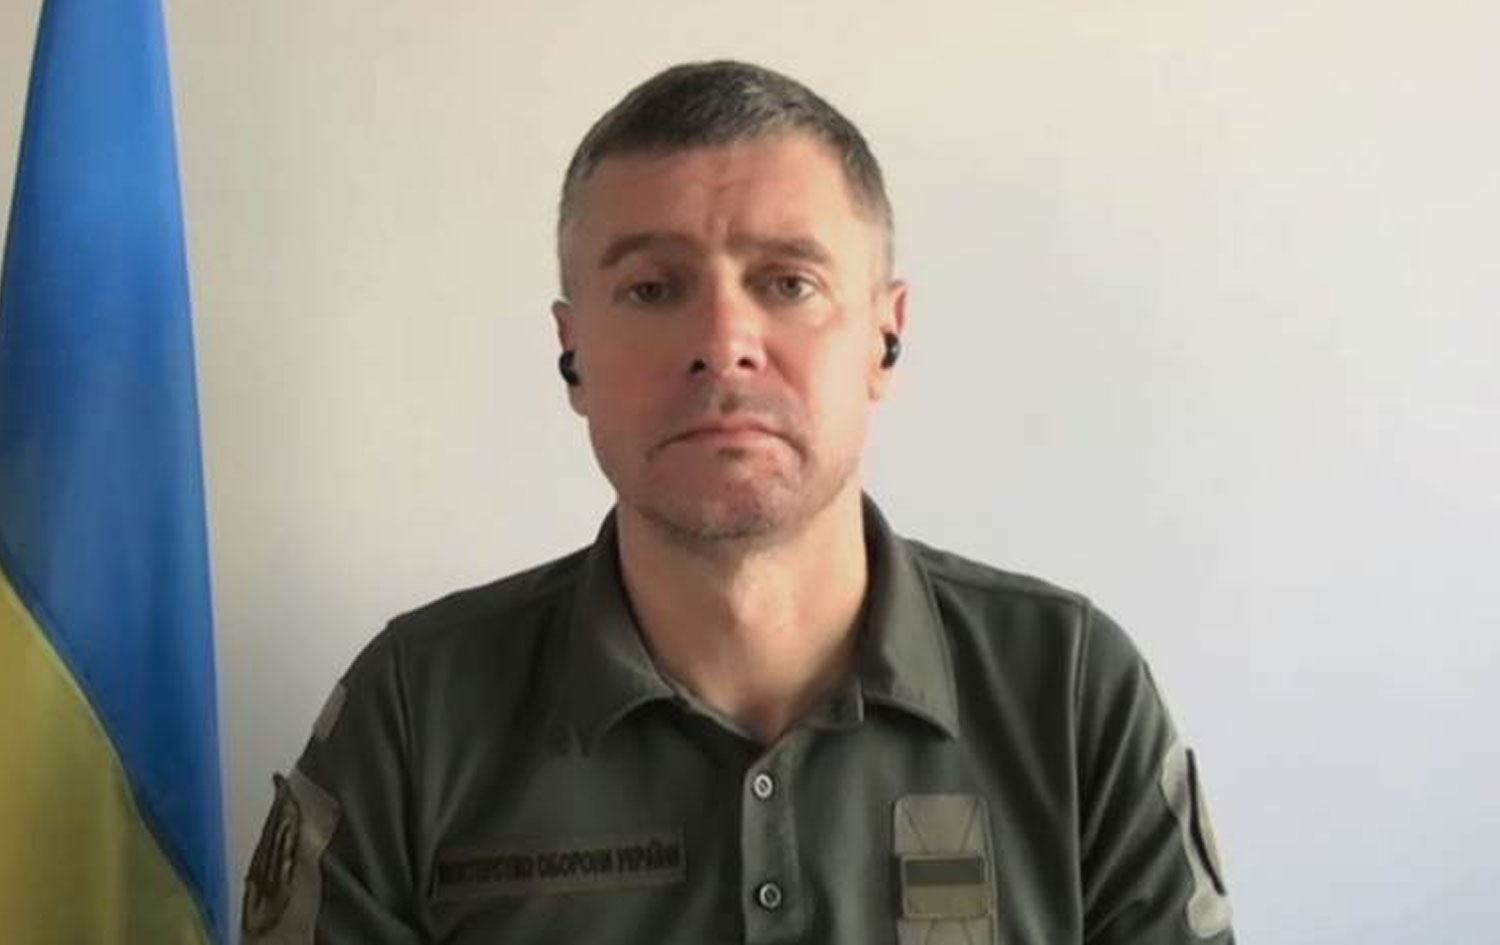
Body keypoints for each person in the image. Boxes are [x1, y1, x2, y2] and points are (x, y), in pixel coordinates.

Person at [243, 60, 1235, 944]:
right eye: (652, 288)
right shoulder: (416, 716)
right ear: (571, 353)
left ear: (884, 338)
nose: (723, 343)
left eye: (788, 283)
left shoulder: (1069, 693)